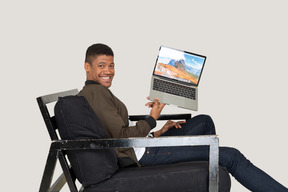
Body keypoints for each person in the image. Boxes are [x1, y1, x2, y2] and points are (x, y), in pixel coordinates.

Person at [78, 43, 288, 192]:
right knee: (232, 157)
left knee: (204, 121)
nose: (108, 71)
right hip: (144, 154)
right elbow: (121, 135)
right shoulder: (95, 93)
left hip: (144, 145)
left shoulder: (96, 92)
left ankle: (201, 166)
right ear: (87, 66)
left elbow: (120, 132)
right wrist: (152, 119)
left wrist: (158, 132)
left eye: (111, 65)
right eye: (102, 65)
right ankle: (208, 166)